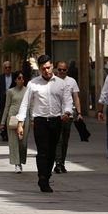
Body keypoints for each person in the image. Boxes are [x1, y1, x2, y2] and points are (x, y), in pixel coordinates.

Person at [16, 54, 73, 193]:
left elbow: (67, 101)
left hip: (55, 121)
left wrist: (67, 112)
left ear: (52, 66)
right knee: (42, 151)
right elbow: (25, 104)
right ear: (40, 69)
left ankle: (47, 175)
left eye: (48, 68)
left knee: (52, 151)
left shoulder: (61, 84)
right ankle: (42, 178)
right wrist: (20, 122)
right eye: (43, 69)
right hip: (40, 121)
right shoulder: (33, 84)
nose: (46, 71)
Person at [54, 60, 84, 174]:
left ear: (67, 70)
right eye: (59, 69)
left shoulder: (72, 81)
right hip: (56, 114)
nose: (61, 72)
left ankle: (62, 162)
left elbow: (75, 97)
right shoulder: (53, 80)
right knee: (58, 140)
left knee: (65, 140)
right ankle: (57, 163)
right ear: (57, 69)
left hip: (68, 115)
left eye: (64, 70)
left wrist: (79, 112)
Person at [0, 71, 29, 173]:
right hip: (12, 117)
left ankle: (21, 160)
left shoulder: (28, 91)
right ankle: (17, 163)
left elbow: (31, 105)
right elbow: (6, 106)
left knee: (23, 142)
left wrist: (34, 119)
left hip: (25, 118)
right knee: (13, 141)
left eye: (22, 78)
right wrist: (3, 122)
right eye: (19, 78)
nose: (21, 80)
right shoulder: (10, 91)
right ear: (15, 80)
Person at [0, 61, 14, 141]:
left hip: (12, 99)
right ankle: (4, 133)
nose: (8, 69)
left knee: (12, 116)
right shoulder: (0, 77)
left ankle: (11, 133)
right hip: (3, 100)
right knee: (3, 116)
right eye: (6, 67)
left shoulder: (14, 76)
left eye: (9, 67)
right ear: (3, 69)